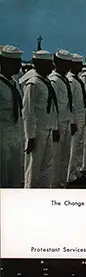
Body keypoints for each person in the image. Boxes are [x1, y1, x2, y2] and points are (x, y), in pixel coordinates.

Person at [23, 50, 58, 188]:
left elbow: (53, 108)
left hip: (47, 129)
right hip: (37, 132)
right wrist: (30, 136)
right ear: (39, 64)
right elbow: (28, 112)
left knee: (47, 166)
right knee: (33, 168)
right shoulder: (33, 84)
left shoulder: (46, 82)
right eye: (49, 64)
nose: (52, 67)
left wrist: (54, 127)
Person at [49, 49, 75, 188]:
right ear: (58, 63)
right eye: (66, 63)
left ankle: (62, 184)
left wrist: (71, 121)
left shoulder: (64, 79)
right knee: (56, 158)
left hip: (66, 122)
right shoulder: (54, 81)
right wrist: (55, 128)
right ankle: (54, 187)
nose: (68, 67)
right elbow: (53, 107)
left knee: (65, 157)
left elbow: (68, 104)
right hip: (58, 124)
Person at [0, 45, 24, 188]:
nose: (19, 66)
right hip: (1, 137)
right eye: (15, 62)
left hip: (15, 135)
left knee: (14, 177)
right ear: (3, 63)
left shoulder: (14, 83)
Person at [67, 53, 86, 184]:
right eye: (78, 64)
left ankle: (76, 170)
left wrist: (85, 113)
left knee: (79, 145)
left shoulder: (77, 79)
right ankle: (69, 174)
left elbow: (82, 100)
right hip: (74, 117)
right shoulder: (70, 81)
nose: (81, 66)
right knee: (73, 147)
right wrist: (72, 121)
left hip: (81, 116)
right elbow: (70, 103)